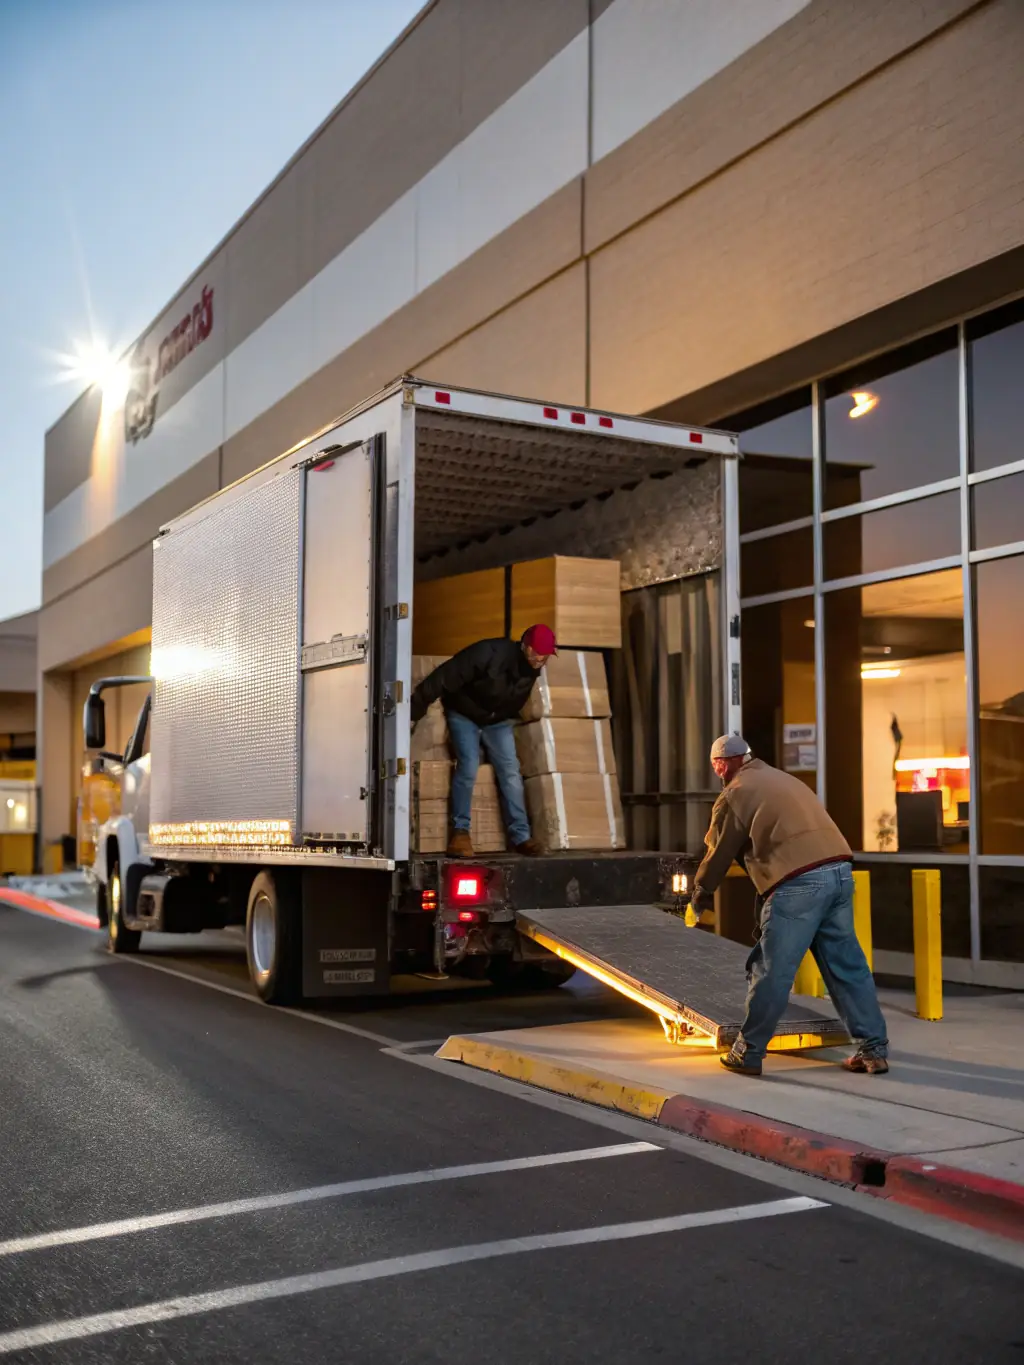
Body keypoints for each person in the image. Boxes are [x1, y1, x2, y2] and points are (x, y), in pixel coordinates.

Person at [692, 734, 889, 1077]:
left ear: (725, 763)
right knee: (847, 966)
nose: (717, 771)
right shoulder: (783, 778)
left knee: (772, 969)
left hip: (799, 882)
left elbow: (720, 850)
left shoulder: (736, 793)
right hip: (839, 872)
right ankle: (873, 1049)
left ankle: (748, 1050)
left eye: (716, 765)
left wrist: (701, 891)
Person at [410, 624, 557, 857]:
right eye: (538, 652)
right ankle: (460, 834)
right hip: (464, 714)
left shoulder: (532, 668)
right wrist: (413, 709)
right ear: (525, 647)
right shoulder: (489, 653)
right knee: (468, 765)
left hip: (496, 720)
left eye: (546, 654)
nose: (541, 659)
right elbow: (446, 675)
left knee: (510, 770)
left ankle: (521, 837)